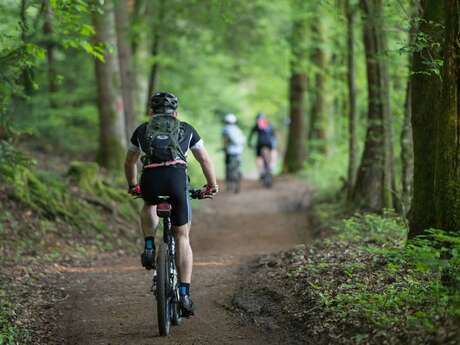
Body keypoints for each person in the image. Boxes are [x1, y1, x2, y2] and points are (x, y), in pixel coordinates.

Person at [124, 91, 218, 316]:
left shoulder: (141, 130)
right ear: (175, 113)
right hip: (177, 181)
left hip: (151, 181)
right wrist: (211, 185)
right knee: (182, 236)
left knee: (148, 203)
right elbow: (204, 159)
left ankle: (149, 245)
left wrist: (133, 185)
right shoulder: (187, 129)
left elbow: (129, 162)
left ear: (151, 112)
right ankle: (184, 294)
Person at [247, 112, 276, 179]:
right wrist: (274, 144)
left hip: (260, 143)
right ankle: (270, 166)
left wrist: (249, 143)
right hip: (269, 143)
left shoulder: (257, 125)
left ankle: (261, 171)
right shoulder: (269, 124)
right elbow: (273, 135)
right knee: (271, 154)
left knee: (258, 157)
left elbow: (251, 136)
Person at [222, 113, 245, 190]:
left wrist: (224, 148)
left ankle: (229, 182)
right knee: (238, 164)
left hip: (230, 150)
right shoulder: (237, 129)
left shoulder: (225, 129)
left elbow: (225, 141)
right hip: (239, 150)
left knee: (227, 165)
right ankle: (239, 172)